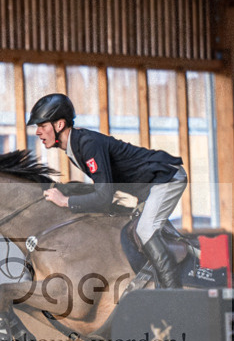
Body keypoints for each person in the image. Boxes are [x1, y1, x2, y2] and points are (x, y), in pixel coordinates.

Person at [29, 93, 188, 289]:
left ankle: (173, 293)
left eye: (42, 126)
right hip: (149, 187)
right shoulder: (75, 146)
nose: (38, 132)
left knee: (145, 231)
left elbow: (104, 197)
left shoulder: (87, 144)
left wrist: (65, 201)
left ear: (59, 125)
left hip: (166, 178)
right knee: (132, 230)